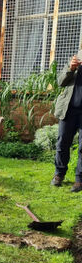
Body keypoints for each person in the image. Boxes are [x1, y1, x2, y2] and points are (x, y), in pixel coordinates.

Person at [51, 53, 82, 192]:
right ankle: (59, 174)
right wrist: (70, 68)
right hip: (68, 110)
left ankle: (79, 180)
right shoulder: (75, 60)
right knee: (62, 142)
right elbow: (60, 82)